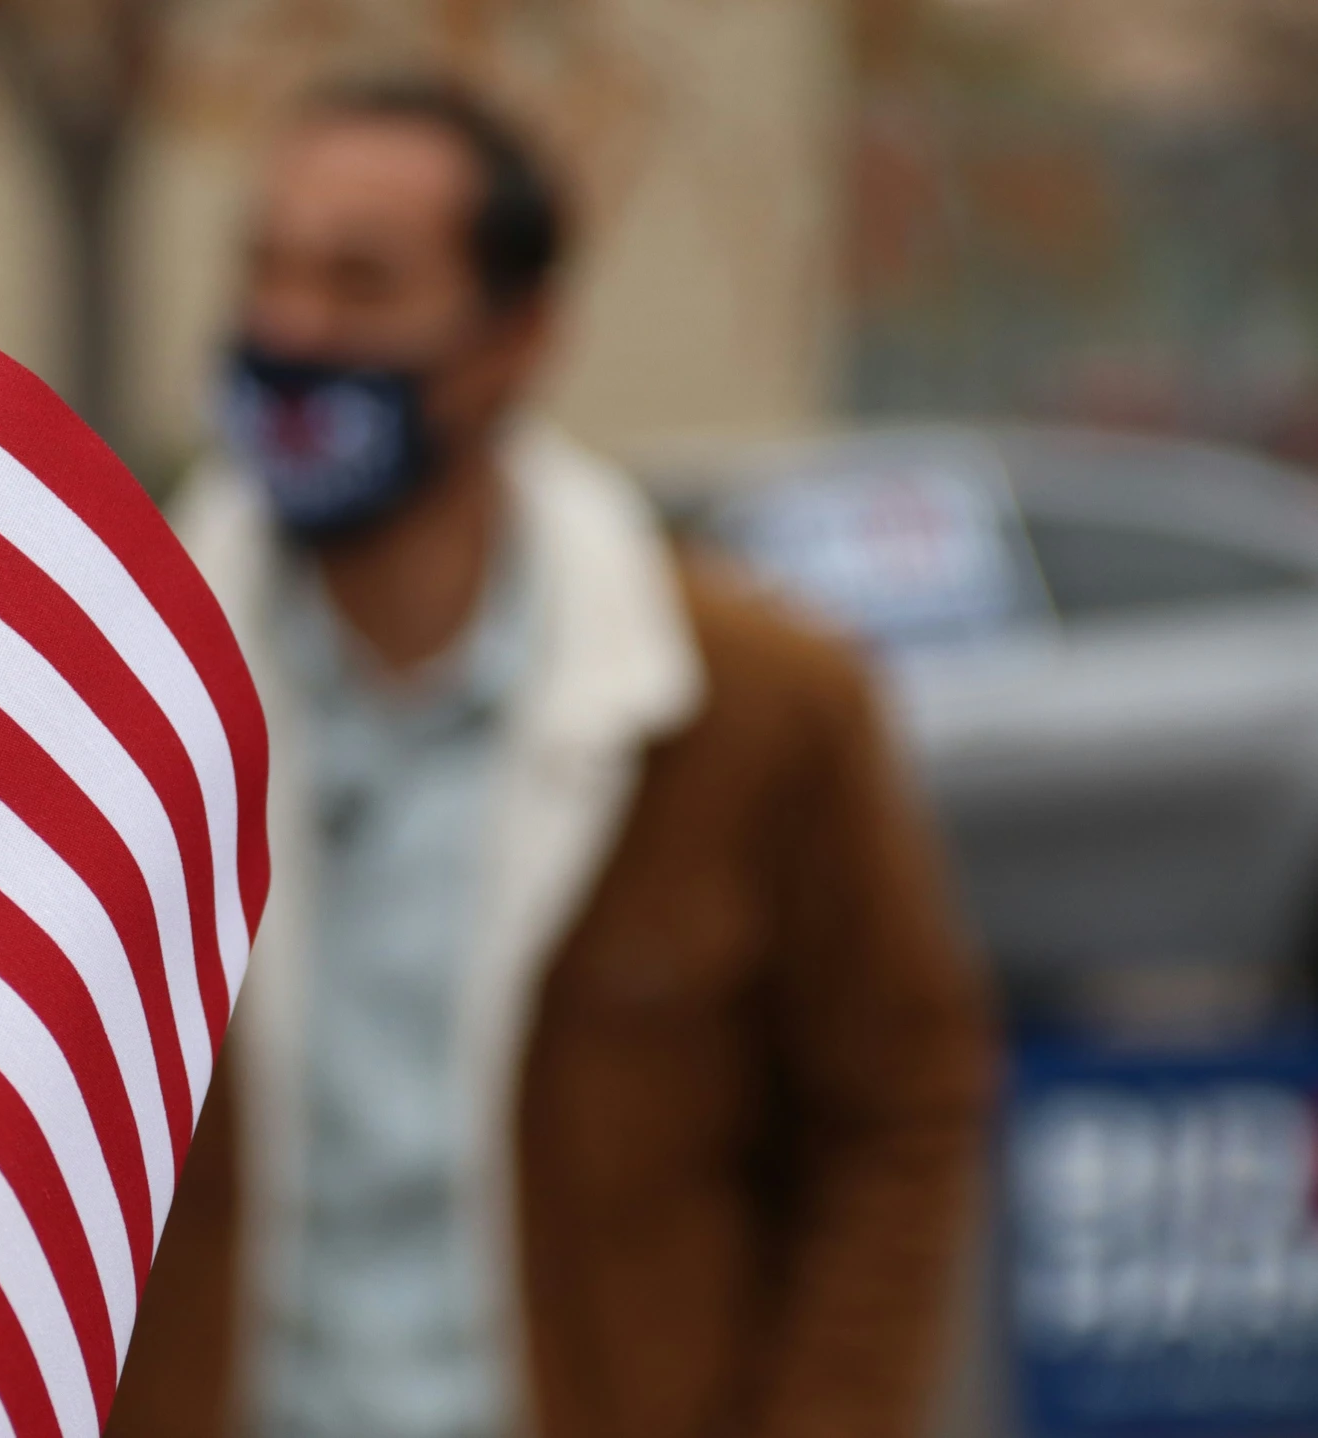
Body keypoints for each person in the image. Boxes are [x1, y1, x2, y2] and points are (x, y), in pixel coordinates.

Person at [108, 79, 995, 1438]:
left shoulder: (752, 707)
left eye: (361, 282)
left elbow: (898, 1114)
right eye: (266, 271)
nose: (290, 329)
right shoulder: (112, 703)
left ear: (513, 338)